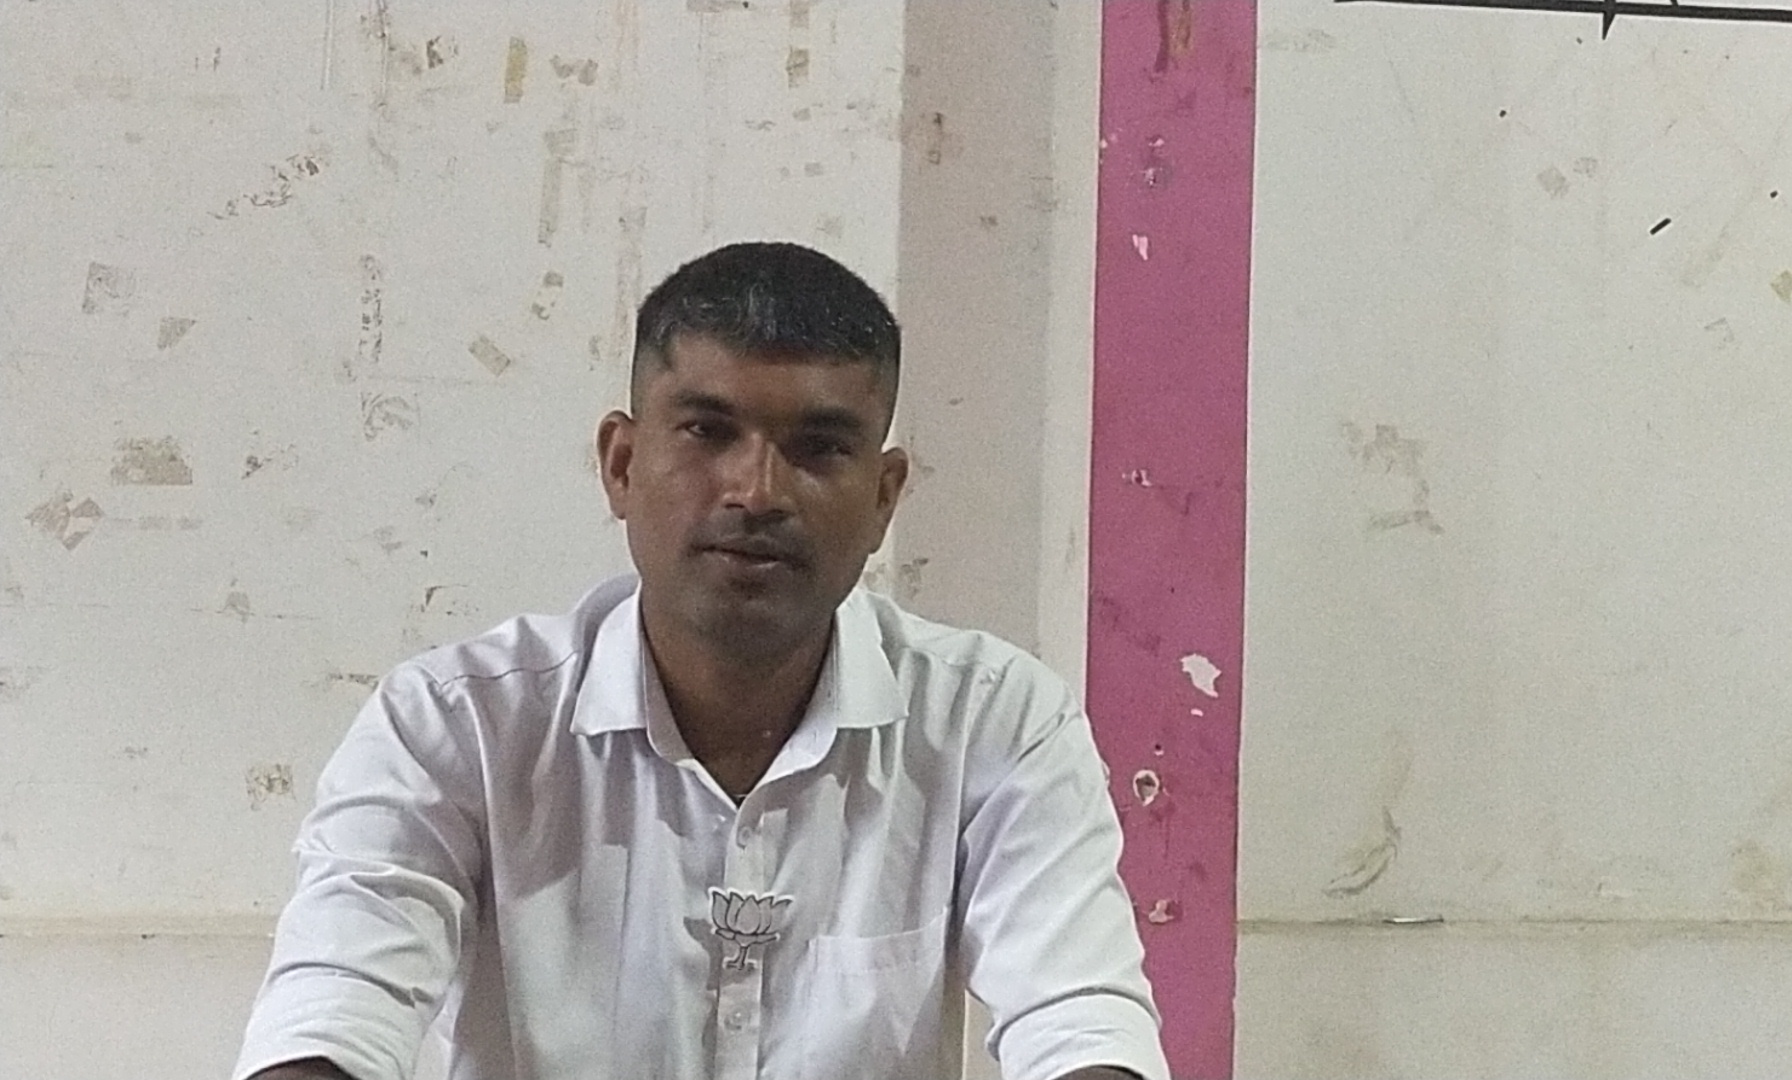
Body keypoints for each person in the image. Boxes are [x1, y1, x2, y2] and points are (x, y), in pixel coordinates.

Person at [232, 242, 1168, 1080]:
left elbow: (1081, 1017)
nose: (756, 492)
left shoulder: (992, 720)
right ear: (620, 463)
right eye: (707, 432)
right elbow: (335, 1001)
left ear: (884, 498)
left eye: (819, 449)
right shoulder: (456, 724)